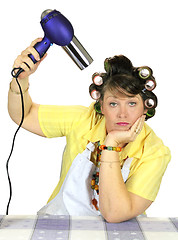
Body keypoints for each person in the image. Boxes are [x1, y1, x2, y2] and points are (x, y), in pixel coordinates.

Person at [8, 38, 171, 223]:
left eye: (132, 103)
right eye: (113, 103)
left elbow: (115, 214)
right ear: (101, 104)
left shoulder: (155, 152)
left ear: (146, 107)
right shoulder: (83, 120)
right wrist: (20, 80)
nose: (122, 114)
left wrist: (111, 144)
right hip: (62, 222)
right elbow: (25, 114)